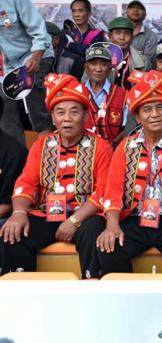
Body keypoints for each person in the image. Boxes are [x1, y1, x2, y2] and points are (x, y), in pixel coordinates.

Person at [1, 73, 110, 277]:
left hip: (85, 216)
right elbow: (26, 183)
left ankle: (92, 287)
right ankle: (23, 298)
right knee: (12, 234)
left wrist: (75, 220)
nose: (67, 118)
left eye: (74, 112)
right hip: (46, 214)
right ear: (52, 117)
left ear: (86, 115)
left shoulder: (101, 147)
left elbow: (103, 193)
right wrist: (18, 214)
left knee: (93, 230)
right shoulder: (42, 144)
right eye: (60, 112)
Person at [98, 69, 162, 279]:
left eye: (160, 107)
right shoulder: (126, 146)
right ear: (137, 115)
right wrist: (112, 224)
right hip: (135, 218)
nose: (154, 114)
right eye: (147, 109)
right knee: (109, 248)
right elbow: (113, 190)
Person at [0, 0, 52, 140]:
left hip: (36, 54)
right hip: (9, 64)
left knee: (32, 91)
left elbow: (40, 32)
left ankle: (45, 142)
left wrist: (36, 57)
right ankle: (16, 154)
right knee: (4, 102)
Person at [81, 43, 128, 143]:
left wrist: (114, 145)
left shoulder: (123, 95)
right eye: (93, 64)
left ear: (110, 68)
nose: (98, 69)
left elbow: (127, 127)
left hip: (113, 150)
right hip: (83, 150)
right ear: (86, 67)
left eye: (103, 64)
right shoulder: (78, 93)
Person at [61, 0, 107, 80]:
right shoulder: (64, 32)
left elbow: (91, 52)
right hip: (65, 76)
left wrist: (69, 45)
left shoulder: (97, 35)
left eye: (80, 11)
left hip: (89, 78)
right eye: (74, 11)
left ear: (89, 13)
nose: (77, 15)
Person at [106, 16, 149, 89]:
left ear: (132, 37)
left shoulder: (143, 61)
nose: (122, 37)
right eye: (117, 33)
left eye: (126, 33)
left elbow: (145, 89)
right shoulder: (97, 58)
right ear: (110, 36)